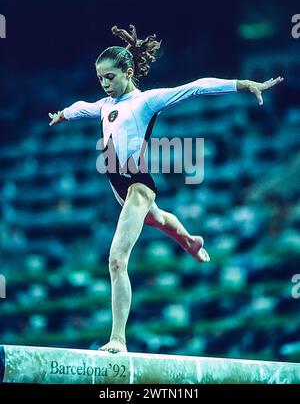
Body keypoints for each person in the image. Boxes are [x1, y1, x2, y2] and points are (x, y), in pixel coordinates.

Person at [49, 24, 283, 353]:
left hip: (137, 187)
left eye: (110, 77)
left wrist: (243, 84)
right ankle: (190, 240)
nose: (104, 84)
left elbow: (196, 88)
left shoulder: (145, 102)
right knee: (157, 220)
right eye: (100, 78)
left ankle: (118, 338)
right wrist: (63, 115)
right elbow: (80, 106)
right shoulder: (104, 105)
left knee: (116, 260)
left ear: (128, 73)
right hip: (121, 190)